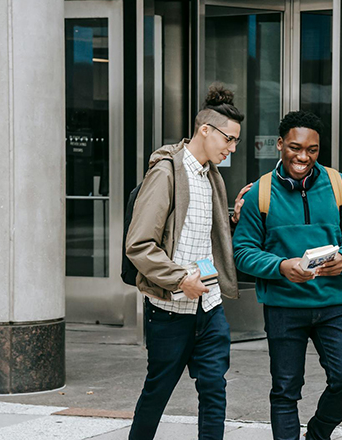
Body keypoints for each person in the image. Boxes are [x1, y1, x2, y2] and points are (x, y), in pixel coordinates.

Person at [233, 110, 342, 440]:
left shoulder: (341, 186)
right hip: (283, 307)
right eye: (295, 148)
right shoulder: (259, 194)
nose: (303, 157)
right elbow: (243, 252)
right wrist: (282, 267)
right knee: (285, 391)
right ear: (280, 145)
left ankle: (317, 435)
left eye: (312, 150)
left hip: (333, 306)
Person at [125, 86, 249, 440]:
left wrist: (232, 218)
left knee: (214, 389)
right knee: (157, 393)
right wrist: (180, 279)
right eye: (230, 139)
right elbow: (140, 244)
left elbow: (192, 227)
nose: (232, 148)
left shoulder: (211, 175)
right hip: (169, 310)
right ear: (205, 130)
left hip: (208, 307)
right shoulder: (166, 173)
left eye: (236, 141)